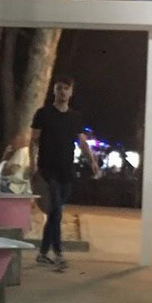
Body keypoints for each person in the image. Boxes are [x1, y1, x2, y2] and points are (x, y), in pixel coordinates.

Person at [29, 75, 99, 272]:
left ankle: (43, 253)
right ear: (54, 90)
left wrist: (92, 162)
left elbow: (82, 142)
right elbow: (34, 140)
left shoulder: (75, 117)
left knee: (55, 212)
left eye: (66, 88)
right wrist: (32, 164)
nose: (62, 92)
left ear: (71, 92)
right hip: (47, 169)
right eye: (59, 88)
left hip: (66, 171)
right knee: (56, 212)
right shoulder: (43, 114)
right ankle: (58, 253)